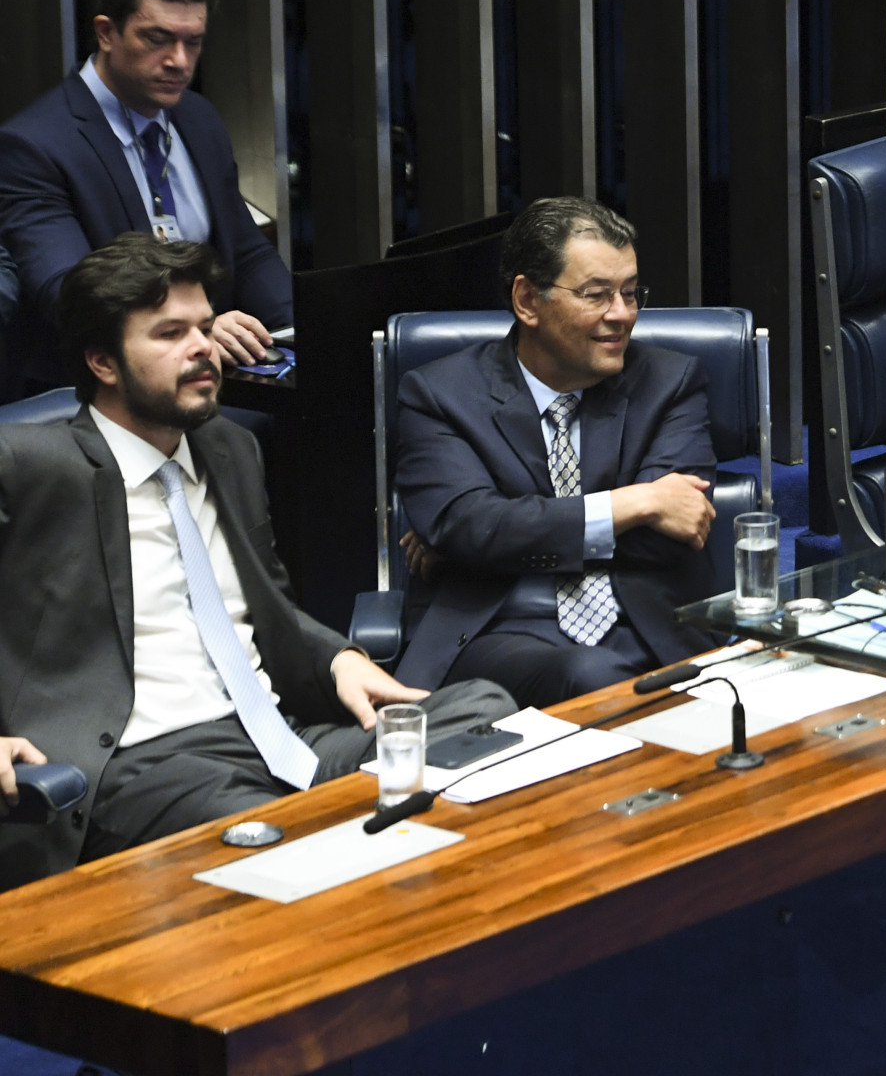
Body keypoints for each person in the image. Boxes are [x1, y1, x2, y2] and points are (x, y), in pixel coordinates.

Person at [0, 235, 511, 891]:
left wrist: (337, 658)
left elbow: (266, 607)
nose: (202, 349)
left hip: (279, 739)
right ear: (102, 361)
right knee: (289, 846)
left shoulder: (230, 447)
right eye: (170, 334)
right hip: (146, 761)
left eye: (206, 328)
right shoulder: (32, 464)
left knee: (484, 717)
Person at [390, 197, 722, 707]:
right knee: (593, 676)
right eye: (596, 295)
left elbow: (670, 540)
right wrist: (635, 504)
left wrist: (495, 538)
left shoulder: (671, 382)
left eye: (631, 293)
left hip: (649, 628)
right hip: (499, 629)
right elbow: (467, 525)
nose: (621, 315)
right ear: (527, 301)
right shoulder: (439, 394)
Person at [0, 0, 292, 394]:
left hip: (209, 380)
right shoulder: (34, 145)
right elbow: (69, 293)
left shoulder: (198, 118)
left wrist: (307, 330)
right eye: (157, 39)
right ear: (105, 33)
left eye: (192, 42)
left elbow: (246, 253)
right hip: (100, 395)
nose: (179, 60)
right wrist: (197, 328)